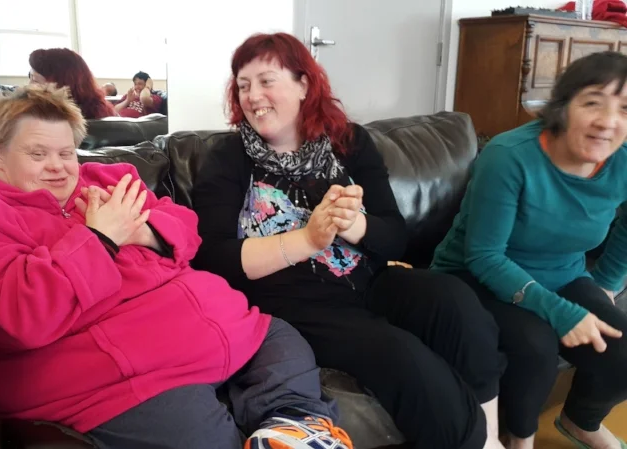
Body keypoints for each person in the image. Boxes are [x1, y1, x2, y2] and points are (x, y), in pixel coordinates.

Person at [0, 83, 353, 449]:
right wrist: (100, 238)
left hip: (220, 333)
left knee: (281, 338)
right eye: (38, 155)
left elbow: (186, 227)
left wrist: (142, 232)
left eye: (67, 153)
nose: (58, 168)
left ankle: (295, 425)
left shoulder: (104, 179)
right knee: (198, 434)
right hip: (124, 382)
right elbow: (22, 314)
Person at [192, 32, 506, 449]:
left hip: (369, 281)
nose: (252, 96)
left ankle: (491, 436)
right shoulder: (228, 158)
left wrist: (353, 224)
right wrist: (307, 238)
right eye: (243, 85)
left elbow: (395, 238)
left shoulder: (350, 142)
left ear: (304, 84)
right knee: (403, 359)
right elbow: (212, 259)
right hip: (292, 302)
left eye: (266, 80)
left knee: (456, 304)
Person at [432, 51, 627, 449]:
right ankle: (519, 440)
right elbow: (484, 256)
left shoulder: (623, 159)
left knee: (621, 348)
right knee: (535, 347)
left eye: (624, 109)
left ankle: (580, 421)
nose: (608, 121)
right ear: (562, 106)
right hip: (475, 276)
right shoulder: (509, 156)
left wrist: (606, 283)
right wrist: (561, 311)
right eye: (593, 102)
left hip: (563, 272)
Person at [28, 48, 116, 120]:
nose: (28, 85)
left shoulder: (50, 121)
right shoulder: (103, 110)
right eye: (30, 77)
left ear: (61, 84)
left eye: (34, 80)